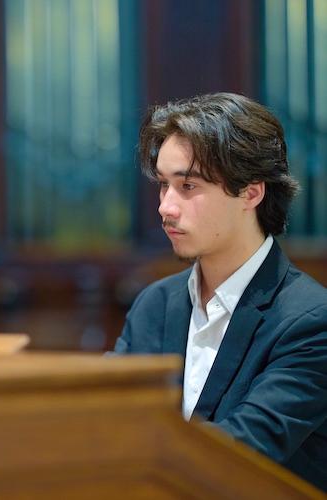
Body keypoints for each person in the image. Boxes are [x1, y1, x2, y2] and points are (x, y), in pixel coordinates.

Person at [113, 92, 327, 491]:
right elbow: (109, 415)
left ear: (251, 192)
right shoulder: (153, 304)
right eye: (163, 185)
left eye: (188, 185)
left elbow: (241, 449)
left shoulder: (311, 321)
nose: (165, 207)